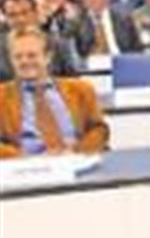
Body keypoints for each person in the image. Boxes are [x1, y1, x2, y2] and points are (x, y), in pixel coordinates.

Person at [0, 26, 109, 158]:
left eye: (31, 55)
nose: (24, 61)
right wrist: (24, 159)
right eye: (18, 57)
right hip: (24, 169)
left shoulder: (81, 90)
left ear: (48, 57)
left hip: (75, 161)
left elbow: (99, 129)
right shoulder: (2, 96)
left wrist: (78, 151)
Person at [0, 0, 79, 82]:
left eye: (25, 12)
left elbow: (73, 84)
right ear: (5, 18)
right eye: (12, 15)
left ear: (35, 12)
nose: (20, 19)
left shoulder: (59, 45)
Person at [76, 0, 142, 58]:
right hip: (93, 65)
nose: (91, 0)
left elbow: (136, 47)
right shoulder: (78, 23)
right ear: (83, 2)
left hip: (120, 61)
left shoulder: (123, 19)